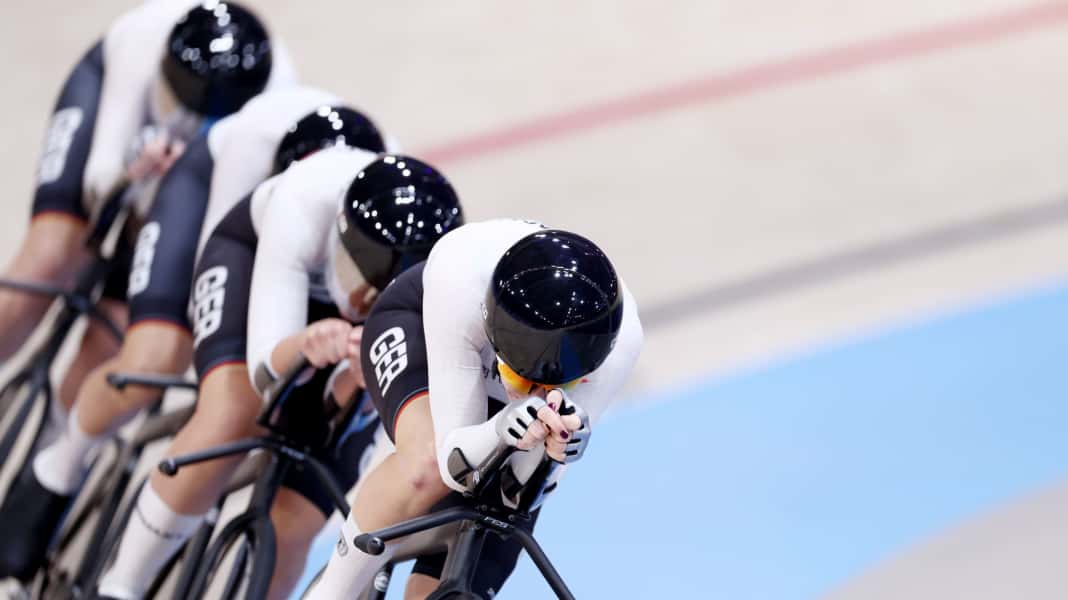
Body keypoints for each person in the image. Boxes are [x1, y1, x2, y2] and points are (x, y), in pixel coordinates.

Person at [0, 0, 294, 580]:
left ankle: (55, 463)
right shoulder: (139, 49)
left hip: (197, 174)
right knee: (50, 257)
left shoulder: (267, 96)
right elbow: (98, 179)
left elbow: (211, 239)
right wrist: (134, 172)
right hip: (115, 120)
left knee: (110, 343)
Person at [95, 149, 464, 600]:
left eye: (379, 295)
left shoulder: (448, 286)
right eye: (359, 279)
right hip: (256, 263)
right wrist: (305, 343)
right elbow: (265, 371)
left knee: (297, 523)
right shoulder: (302, 207)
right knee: (232, 413)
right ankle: (120, 586)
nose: (362, 303)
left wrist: (354, 379)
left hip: (371, 322)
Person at [306, 219, 643, 598]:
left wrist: (559, 447)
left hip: (518, 362)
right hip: (419, 323)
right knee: (425, 466)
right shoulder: (460, 275)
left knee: (502, 515)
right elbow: (452, 459)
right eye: (519, 380)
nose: (528, 390)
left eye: (551, 385)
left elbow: (521, 492)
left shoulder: (620, 341)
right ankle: (332, 591)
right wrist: (500, 429)